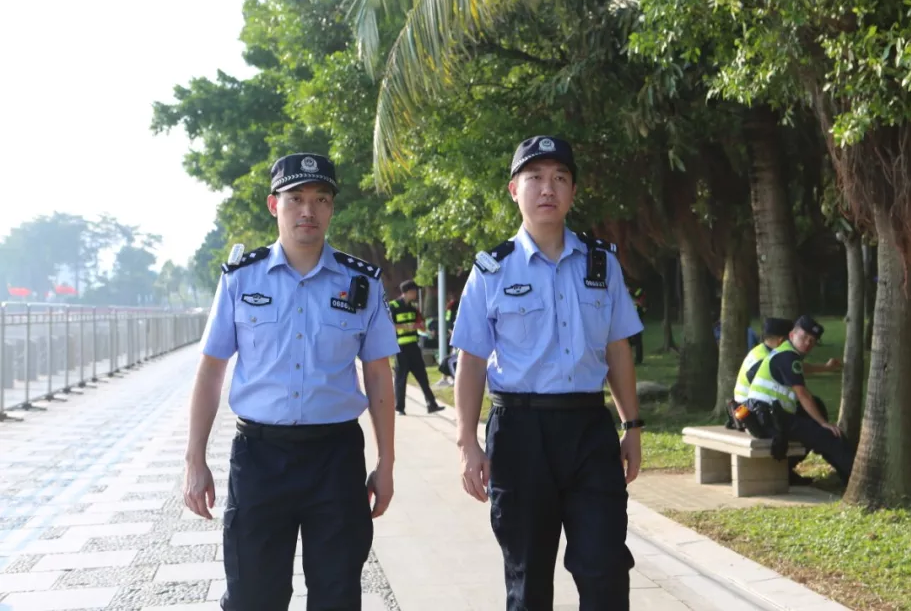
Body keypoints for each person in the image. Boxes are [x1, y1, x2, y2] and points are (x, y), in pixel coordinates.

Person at [182, 152, 399, 611]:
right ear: (273, 205)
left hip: (335, 459)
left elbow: (378, 374)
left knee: (337, 596)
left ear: (332, 209)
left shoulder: (361, 283)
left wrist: (386, 462)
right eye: (296, 198)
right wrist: (194, 459)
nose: (308, 210)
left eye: (321, 199)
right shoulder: (241, 279)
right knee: (252, 596)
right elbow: (211, 370)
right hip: (260, 458)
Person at [450, 135, 645, 611]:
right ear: (513, 190)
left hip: (589, 430)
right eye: (534, 177)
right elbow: (471, 361)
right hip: (520, 432)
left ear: (573, 192)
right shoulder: (492, 270)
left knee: (605, 569)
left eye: (560, 178)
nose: (547, 189)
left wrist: (632, 426)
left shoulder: (602, 264)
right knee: (528, 580)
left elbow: (617, 348)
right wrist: (467, 443)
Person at [744, 315, 855, 484]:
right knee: (830, 436)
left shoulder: (784, 353)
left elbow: (801, 369)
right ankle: (856, 480)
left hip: (764, 416)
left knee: (816, 429)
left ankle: (791, 472)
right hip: (770, 419)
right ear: (791, 335)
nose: (807, 343)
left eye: (812, 341)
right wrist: (823, 423)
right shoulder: (788, 356)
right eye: (804, 337)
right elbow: (802, 394)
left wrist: (825, 367)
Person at [389, 279, 445, 415]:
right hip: (400, 348)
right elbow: (389, 325)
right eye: (414, 292)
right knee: (401, 378)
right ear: (407, 292)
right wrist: (408, 326)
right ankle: (399, 407)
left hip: (414, 347)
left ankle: (431, 404)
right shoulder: (393, 306)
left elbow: (421, 325)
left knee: (422, 376)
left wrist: (422, 327)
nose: (415, 294)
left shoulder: (413, 308)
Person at [628, 284, 646, 364]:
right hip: (630, 321)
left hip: (637, 321)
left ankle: (638, 359)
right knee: (630, 341)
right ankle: (629, 358)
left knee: (637, 341)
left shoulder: (638, 291)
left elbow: (641, 304)